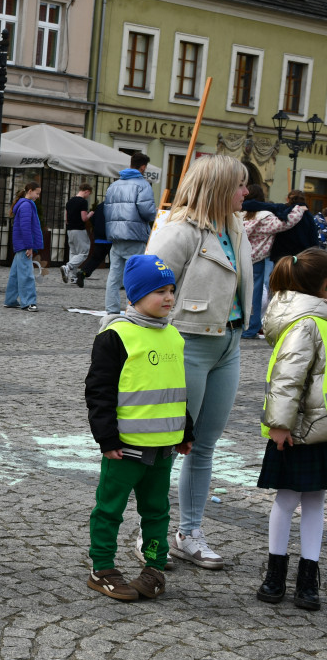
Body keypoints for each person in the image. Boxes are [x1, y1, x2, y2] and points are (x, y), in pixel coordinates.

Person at [147, 154, 253, 569]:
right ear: (220, 188)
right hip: (186, 344)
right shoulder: (180, 231)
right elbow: (145, 287)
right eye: (240, 185)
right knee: (168, 444)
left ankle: (188, 532)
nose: (246, 192)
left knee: (204, 446)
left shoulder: (237, 226)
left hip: (229, 345)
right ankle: (149, 533)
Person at [85, 254, 194, 601]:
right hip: (125, 448)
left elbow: (176, 389)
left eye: (171, 290)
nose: (168, 298)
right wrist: (106, 439)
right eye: (159, 291)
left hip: (163, 448)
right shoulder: (115, 337)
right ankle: (101, 567)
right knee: (109, 509)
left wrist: (185, 430)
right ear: (134, 296)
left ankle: (154, 569)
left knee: (157, 511)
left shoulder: (174, 336)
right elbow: (99, 392)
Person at [256, 249, 327, 611]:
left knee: (316, 500)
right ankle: (275, 572)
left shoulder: (321, 319)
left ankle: (308, 577)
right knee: (286, 499)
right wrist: (280, 425)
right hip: (297, 430)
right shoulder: (307, 323)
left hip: (321, 429)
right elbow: (287, 379)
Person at [240, 184, 305, 339]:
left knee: (238, 292)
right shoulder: (264, 217)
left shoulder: (238, 214)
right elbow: (286, 223)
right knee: (255, 294)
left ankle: (236, 323)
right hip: (256, 259)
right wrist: (299, 208)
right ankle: (251, 327)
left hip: (238, 256)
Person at [104, 153, 156, 314]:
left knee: (114, 275)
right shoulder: (143, 185)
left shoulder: (114, 185)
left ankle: (111, 309)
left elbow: (107, 208)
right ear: (143, 167)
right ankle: (133, 309)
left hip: (115, 234)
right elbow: (147, 212)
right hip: (134, 234)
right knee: (135, 274)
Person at [3, 182, 44, 312]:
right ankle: (29, 302)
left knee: (15, 274)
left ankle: (10, 300)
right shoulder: (26, 205)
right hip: (24, 244)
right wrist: (29, 246)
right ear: (30, 191)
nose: (38, 196)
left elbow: (24, 227)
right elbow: (26, 228)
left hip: (20, 244)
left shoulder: (23, 204)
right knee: (26, 274)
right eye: (37, 193)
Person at [61, 184, 93, 284]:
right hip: (79, 229)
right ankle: (68, 267)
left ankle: (73, 277)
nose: (88, 196)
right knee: (84, 252)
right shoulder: (83, 202)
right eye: (89, 194)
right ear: (86, 191)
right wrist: (91, 214)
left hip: (70, 229)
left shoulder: (69, 201)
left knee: (73, 253)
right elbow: (84, 218)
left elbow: (66, 218)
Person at [76, 200, 111, 288]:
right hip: (111, 238)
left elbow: (93, 219)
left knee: (95, 259)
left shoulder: (100, 206)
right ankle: (119, 282)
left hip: (99, 238)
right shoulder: (116, 206)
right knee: (116, 262)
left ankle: (83, 272)